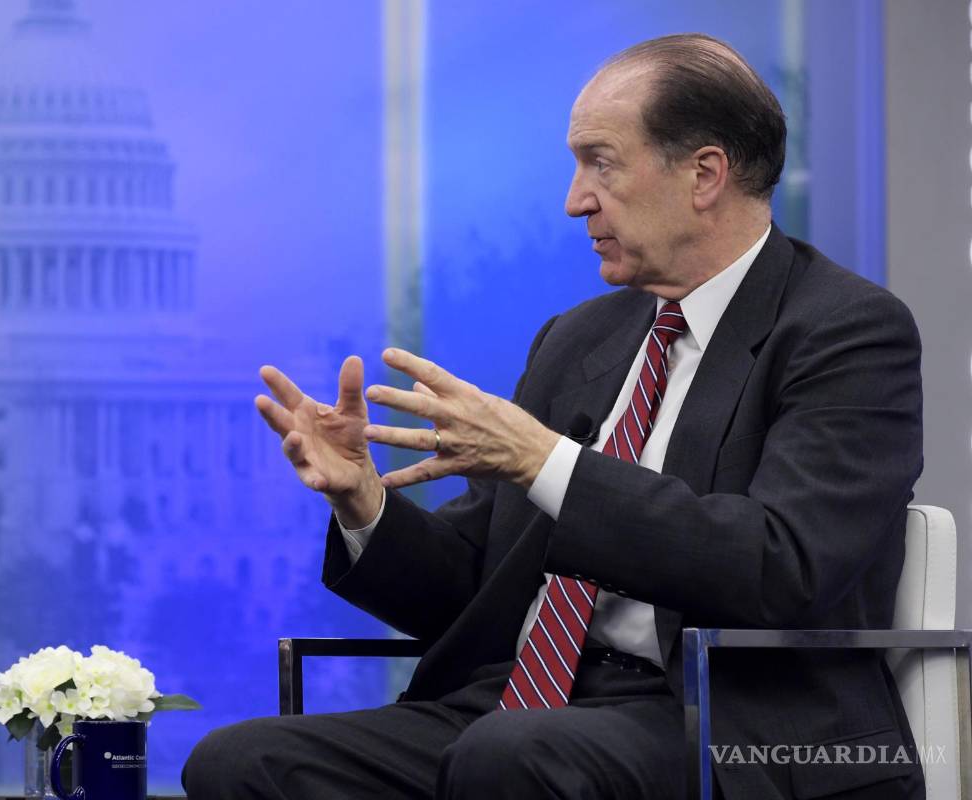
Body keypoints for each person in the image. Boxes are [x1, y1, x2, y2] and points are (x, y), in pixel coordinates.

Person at [183, 33, 925, 799]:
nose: (576, 200)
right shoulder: (581, 339)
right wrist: (364, 503)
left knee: (514, 756)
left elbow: (783, 568)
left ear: (704, 174)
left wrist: (546, 464)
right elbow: (470, 590)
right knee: (240, 763)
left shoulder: (846, 331)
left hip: (729, 721)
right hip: (522, 703)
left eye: (600, 163)